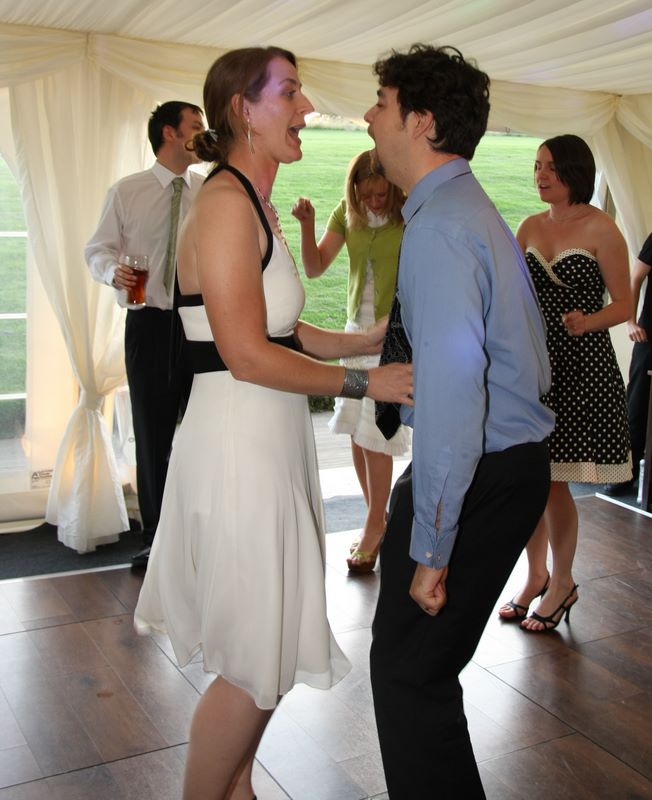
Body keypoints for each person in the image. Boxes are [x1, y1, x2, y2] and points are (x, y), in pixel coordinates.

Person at [133, 47, 413, 800]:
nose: (306, 107)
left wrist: (368, 339)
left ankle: (237, 788)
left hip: (266, 439)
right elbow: (248, 354)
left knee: (268, 653)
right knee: (253, 665)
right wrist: (367, 380)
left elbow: (284, 330)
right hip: (239, 446)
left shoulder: (251, 202)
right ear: (243, 110)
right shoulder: (225, 203)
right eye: (289, 92)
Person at [364, 44, 555, 799]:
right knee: (419, 674)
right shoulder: (461, 208)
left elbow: (452, 398)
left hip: (481, 470)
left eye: (382, 103)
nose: (369, 117)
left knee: (409, 677)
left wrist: (432, 546)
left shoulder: (442, 227)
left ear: (421, 121)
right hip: (501, 465)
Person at [499, 134, 631, 632]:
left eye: (550, 167)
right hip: (534, 367)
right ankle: (535, 574)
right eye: (537, 166)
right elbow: (511, 294)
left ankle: (563, 582)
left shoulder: (602, 228)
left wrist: (588, 321)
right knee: (529, 476)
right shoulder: (529, 226)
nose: (541, 175)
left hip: (582, 368)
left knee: (553, 480)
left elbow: (625, 304)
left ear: (575, 170)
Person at [85, 101, 206, 568]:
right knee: (152, 434)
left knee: (202, 428)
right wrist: (111, 270)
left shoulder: (209, 191)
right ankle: (156, 539)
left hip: (200, 323)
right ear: (170, 133)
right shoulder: (127, 192)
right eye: (195, 126)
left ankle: (199, 531)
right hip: (149, 323)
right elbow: (97, 249)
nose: (203, 133)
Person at [291, 150, 410, 573]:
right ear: (355, 190)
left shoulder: (408, 214)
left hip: (391, 332)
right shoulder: (347, 212)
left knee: (376, 432)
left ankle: (375, 523)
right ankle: (375, 517)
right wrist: (307, 226)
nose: (375, 202)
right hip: (354, 332)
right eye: (367, 195)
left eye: (382, 194)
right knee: (356, 434)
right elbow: (314, 267)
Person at [603, 232, 652, 497]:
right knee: (637, 404)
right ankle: (624, 473)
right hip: (649, 336)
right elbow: (635, 278)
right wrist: (631, 322)